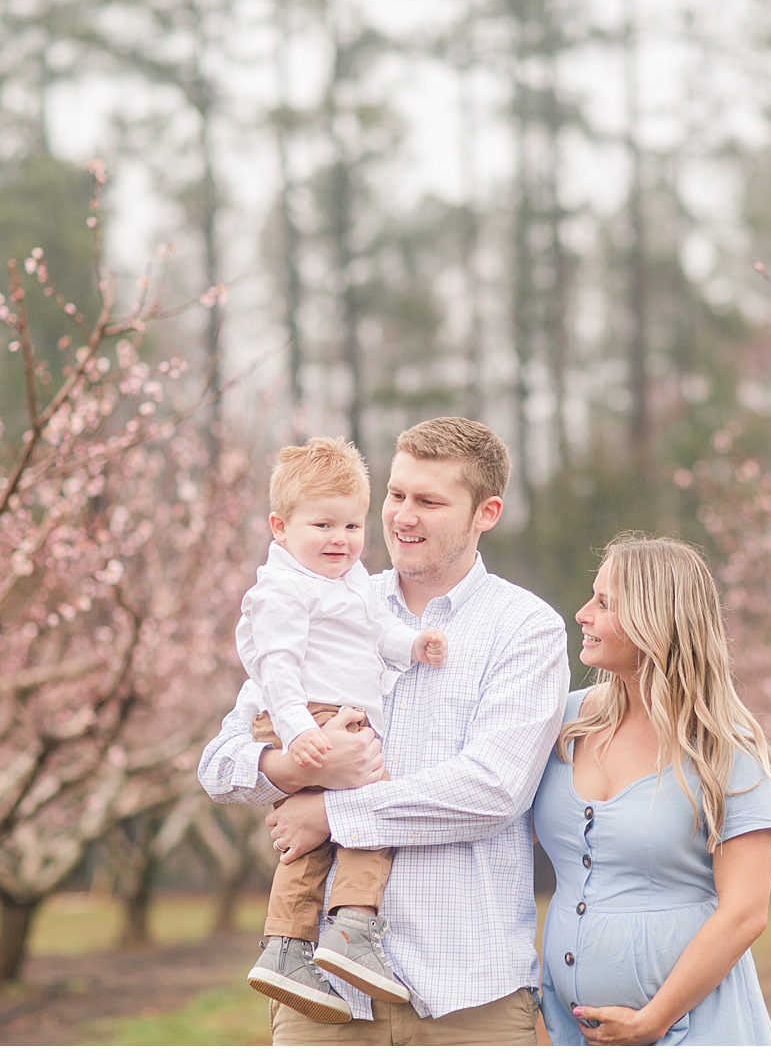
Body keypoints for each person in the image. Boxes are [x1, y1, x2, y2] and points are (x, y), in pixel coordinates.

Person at [198, 417, 569, 1045]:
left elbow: (492, 790)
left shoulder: (525, 628)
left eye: (429, 501)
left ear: (487, 513)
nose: (401, 517)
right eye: (396, 495)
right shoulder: (321, 598)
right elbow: (220, 763)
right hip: (323, 1003)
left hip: (466, 992)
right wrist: (291, 770)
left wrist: (332, 816)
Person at [533, 532, 771, 1045]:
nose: (582, 614)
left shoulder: (723, 748)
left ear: (655, 620)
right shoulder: (559, 720)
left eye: (604, 603)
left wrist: (655, 1016)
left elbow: (745, 912)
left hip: (696, 1030)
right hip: (574, 1032)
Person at [232, 436, 449, 1022]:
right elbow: (275, 667)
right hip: (313, 715)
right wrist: (298, 732)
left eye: (352, 526)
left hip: (330, 718)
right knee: (377, 806)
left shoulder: (349, 581)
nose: (340, 540)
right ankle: (353, 927)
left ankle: (287, 946)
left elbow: (376, 632)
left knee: (314, 838)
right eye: (322, 525)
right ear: (280, 528)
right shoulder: (284, 590)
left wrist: (413, 644)